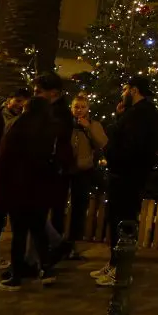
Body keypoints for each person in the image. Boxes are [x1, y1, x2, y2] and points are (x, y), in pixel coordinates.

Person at [0, 96, 69, 290]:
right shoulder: (53, 129)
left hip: (19, 187)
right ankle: (46, 270)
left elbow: (6, 159)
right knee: (38, 229)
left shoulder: (18, 127)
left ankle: (17, 275)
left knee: (19, 233)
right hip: (42, 188)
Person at [91, 76, 158, 287]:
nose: (123, 93)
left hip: (128, 176)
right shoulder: (135, 113)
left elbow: (129, 147)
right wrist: (120, 116)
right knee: (116, 219)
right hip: (124, 174)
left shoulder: (142, 115)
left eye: (126, 89)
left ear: (134, 90)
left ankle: (122, 270)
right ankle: (114, 263)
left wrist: (106, 147)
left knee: (123, 221)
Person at [0, 89, 30, 270]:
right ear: (9, 99)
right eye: (17, 101)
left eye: (23, 103)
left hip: (7, 174)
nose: (20, 106)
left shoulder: (24, 122)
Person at [33, 72, 75, 254]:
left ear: (53, 93)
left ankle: (54, 247)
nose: (36, 96)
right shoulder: (50, 111)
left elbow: (53, 138)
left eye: (39, 92)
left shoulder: (58, 113)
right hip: (52, 166)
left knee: (49, 210)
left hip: (54, 167)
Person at [67, 94, 107, 259]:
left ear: (88, 108)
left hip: (83, 170)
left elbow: (102, 143)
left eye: (83, 107)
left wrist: (88, 128)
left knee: (79, 207)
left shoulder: (94, 125)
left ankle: (72, 244)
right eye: (77, 107)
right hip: (65, 169)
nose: (79, 110)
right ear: (72, 108)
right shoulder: (66, 124)